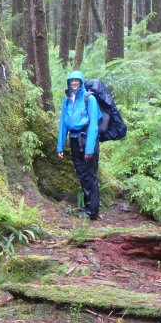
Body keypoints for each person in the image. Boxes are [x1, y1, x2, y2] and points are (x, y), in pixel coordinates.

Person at [56, 71, 102, 220]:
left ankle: (92, 211)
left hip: (88, 139)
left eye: (77, 81)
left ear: (81, 82)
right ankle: (88, 207)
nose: (74, 83)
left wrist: (89, 149)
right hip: (74, 140)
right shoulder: (67, 100)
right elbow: (63, 123)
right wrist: (60, 146)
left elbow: (94, 125)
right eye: (71, 81)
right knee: (82, 174)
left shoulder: (90, 99)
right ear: (69, 83)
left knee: (90, 175)